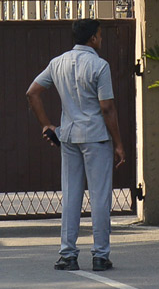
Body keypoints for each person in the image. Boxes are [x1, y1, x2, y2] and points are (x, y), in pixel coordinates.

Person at [27, 18, 126, 272]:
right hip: (95, 136)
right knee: (99, 196)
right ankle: (100, 255)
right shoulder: (99, 66)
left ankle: (67, 254)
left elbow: (33, 92)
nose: (101, 39)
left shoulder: (57, 63)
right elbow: (107, 107)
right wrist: (118, 143)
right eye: (100, 35)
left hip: (68, 135)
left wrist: (47, 125)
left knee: (71, 195)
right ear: (93, 37)